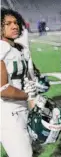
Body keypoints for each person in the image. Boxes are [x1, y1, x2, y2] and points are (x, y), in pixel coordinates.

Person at [0, 8, 48, 156]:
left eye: (16, 22)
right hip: (7, 111)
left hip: (20, 108)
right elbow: (3, 89)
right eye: (8, 24)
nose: (14, 26)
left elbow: (30, 76)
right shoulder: (2, 49)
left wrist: (36, 84)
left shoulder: (20, 49)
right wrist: (29, 96)